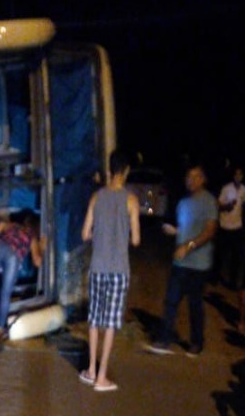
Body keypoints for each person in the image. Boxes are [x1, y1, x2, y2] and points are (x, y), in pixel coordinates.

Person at [79, 150, 141, 392]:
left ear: (109, 170)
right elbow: (136, 240)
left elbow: (85, 234)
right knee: (111, 324)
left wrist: (100, 234)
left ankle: (90, 370)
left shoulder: (96, 197)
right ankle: (101, 376)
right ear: (125, 172)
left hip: (97, 267)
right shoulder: (131, 200)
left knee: (94, 320)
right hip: (118, 269)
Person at [146, 164, 218, 357]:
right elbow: (186, 228)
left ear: (203, 179)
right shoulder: (183, 202)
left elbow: (210, 231)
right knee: (170, 301)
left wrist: (189, 246)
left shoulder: (209, 201)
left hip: (198, 264)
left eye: (195, 177)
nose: (191, 180)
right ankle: (165, 339)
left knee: (195, 305)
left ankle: (197, 342)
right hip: (180, 263)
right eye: (188, 177)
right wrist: (175, 232)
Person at [216, 166, 245, 287]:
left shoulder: (244, 189)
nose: (238, 177)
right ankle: (214, 278)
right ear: (233, 176)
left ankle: (232, 282)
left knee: (236, 258)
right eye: (236, 174)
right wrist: (227, 207)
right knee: (220, 254)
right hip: (224, 226)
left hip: (237, 227)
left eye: (240, 174)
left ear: (242, 176)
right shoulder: (226, 188)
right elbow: (218, 206)